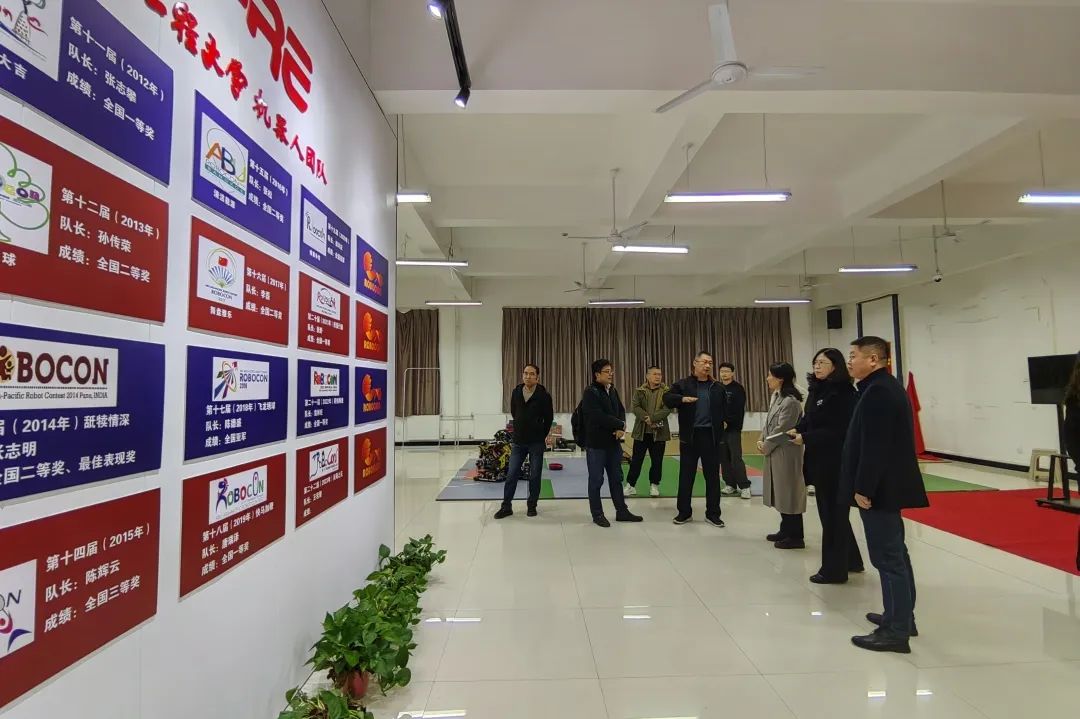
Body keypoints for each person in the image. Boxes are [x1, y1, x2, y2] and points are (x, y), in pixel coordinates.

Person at [842, 336, 929, 654]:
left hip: (880, 488)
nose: (850, 361)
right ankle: (901, 616)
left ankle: (896, 631)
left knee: (888, 558)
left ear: (873, 359)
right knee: (896, 554)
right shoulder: (880, 387)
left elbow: (875, 446)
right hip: (887, 485)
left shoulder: (879, 391)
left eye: (854, 355)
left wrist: (863, 487)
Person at [788, 348, 865, 582]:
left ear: (835, 366)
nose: (817, 366)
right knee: (832, 513)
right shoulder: (817, 389)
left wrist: (806, 437)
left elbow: (840, 430)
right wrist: (798, 429)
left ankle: (834, 570)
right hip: (818, 460)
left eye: (823, 363)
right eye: (815, 362)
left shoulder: (843, 393)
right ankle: (851, 560)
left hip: (836, 461)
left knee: (833, 515)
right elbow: (810, 419)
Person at [664, 351, 727, 527]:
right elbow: (667, 398)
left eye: (710, 363)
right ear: (695, 363)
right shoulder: (683, 384)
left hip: (711, 437)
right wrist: (682, 399)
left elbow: (725, 409)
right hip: (690, 437)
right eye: (704, 362)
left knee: (712, 477)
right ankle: (684, 512)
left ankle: (713, 514)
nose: (707, 366)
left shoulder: (717, 387)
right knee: (686, 476)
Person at [580, 359, 643, 527]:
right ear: (597, 374)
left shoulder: (612, 390)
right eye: (607, 371)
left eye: (611, 371)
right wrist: (619, 424)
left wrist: (621, 426)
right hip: (596, 445)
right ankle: (597, 514)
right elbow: (597, 416)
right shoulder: (590, 392)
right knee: (596, 480)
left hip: (613, 443)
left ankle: (622, 511)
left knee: (616, 478)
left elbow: (620, 410)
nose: (611, 374)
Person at [494, 364, 554, 520]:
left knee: (535, 475)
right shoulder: (516, 392)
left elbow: (549, 418)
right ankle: (506, 507)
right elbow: (514, 412)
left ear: (537, 377)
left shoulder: (544, 395)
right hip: (518, 441)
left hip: (536, 442)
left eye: (532, 374)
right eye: (526, 373)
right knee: (512, 474)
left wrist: (541, 434)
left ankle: (532, 506)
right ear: (522, 375)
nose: (528, 376)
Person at [759, 362, 806, 549]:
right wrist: (761, 439)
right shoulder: (778, 397)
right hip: (775, 451)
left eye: (770, 375)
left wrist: (766, 446)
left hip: (787, 452)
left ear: (780, 378)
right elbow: (769, 423)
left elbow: (782, 429)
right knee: (780, 492)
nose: (767, 378)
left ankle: (796, 536)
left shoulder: (790, 401)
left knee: (789, 493)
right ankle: (785, 529)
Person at [625, 366, 673, 497]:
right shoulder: (639, 391)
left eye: (660, 374)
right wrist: (646, 418)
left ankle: (654, 485)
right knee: (636, 460)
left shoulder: (666, 391)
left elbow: (667, 408)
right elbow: (635, 407)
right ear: (648, 376)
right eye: (655, 374)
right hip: (641, 432)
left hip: (659, 433)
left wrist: (653, 418)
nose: (658, 377)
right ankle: (631, 485)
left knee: (657, 461)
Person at [717, 362, 751, 500]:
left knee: (736, 458)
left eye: (727, 371)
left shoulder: (738, 388)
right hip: (720, 429)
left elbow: (738, 409)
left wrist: (727, 421)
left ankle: (745, 487)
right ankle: (730, 484)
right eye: (722, 371)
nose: (724, 374)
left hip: (733, 428)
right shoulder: (717, 387)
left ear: (732, 373)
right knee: (723, 458)